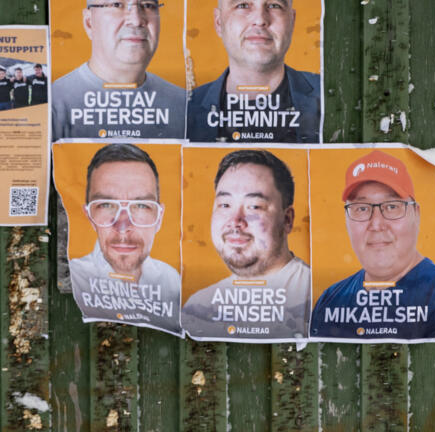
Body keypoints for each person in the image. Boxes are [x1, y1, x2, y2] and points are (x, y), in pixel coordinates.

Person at [310, 150, 435, 340]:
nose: (376, 224)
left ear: (416, 214)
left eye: (391, 206)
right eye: (362, 209)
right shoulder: (330, 301)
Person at [182, 149, 311, 340]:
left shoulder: (318, 298)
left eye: (254, 206)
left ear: (287, 220)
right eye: (225, 205)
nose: (235, 221)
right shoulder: (199, 307)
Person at [69, 143, 181, 334]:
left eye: (141, 205)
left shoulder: (171, 280)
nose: (123, 226)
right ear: (89, 216)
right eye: (106, 204)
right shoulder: (74, 279)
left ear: (159, 218)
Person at [187, 0, 321, 142]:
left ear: (292, 21)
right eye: (243, 5)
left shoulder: (330, 98)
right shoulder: (185, 109)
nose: (260, 20)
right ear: (219, 22)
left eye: (274, 5)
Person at [51, 0, 186, 140]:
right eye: (117, 5)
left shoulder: (186, 107)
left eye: (147, 5)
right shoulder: (52, 108)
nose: (136, 20)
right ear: (89, 23)